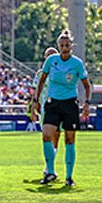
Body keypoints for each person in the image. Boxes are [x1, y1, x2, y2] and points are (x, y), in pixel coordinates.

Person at [30, 32, 90, 187]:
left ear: (71, 46)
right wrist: (35, 101)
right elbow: (41, 81)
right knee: (46, 135)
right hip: (53, 103)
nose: (64, 48)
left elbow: (86, 85)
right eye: (62, 45)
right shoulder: (51, 61)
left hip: (70, 104)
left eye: (67, 45)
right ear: (58, 46)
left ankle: (69, 177)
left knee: (69, 140)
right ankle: (50, 171)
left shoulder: (77, 63)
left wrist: (87, 103)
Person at [31, 46, 60, 179]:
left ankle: (49, 168)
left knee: (56, 137)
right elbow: (35, 91)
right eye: (48, 55)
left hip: (60, 107)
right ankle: (49, 167)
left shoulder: (61, 73)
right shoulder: (40, 74)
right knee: (47, 137)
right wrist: (33, 107)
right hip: (45, 109)